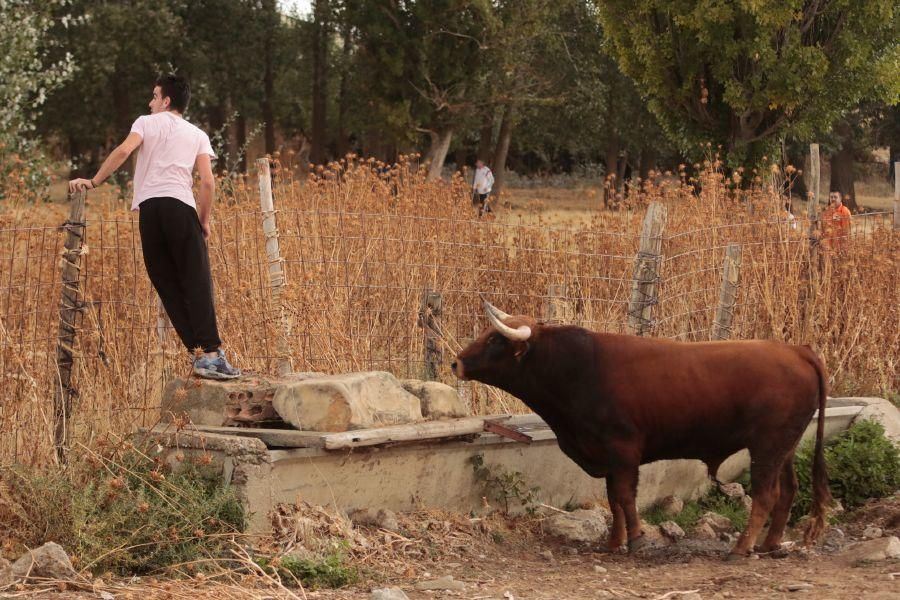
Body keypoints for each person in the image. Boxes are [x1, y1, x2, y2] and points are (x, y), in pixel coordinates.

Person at [68, 74, 241, 380]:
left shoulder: (146, 123)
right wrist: (204, 222)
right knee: (196, 281)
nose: (150, 102)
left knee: (167, 283)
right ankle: (211, 354)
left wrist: (93, 182)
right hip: (180, 208)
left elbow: (123, 151)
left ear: (166, 101)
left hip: (150, 211)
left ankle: (197, 353)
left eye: (154, 96)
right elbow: (208, 182)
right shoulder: (198, 134)